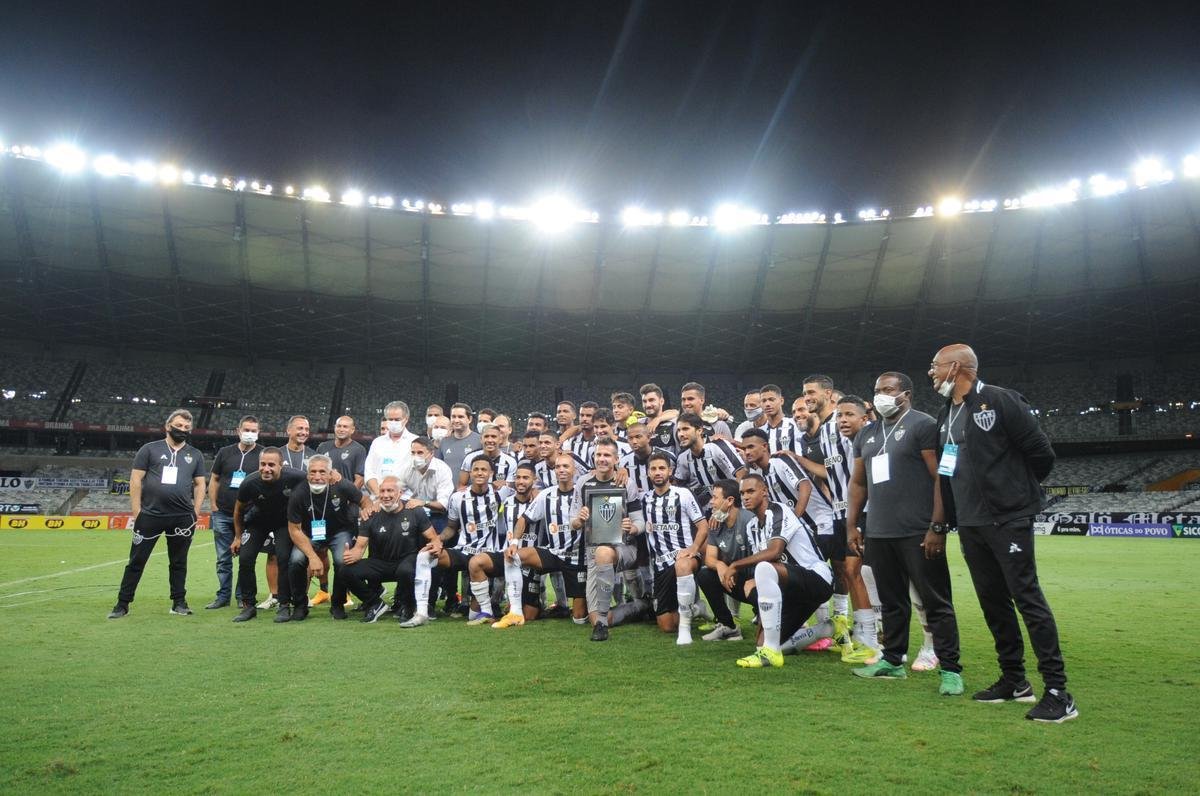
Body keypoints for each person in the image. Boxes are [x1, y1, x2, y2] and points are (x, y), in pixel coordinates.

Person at [930, 343, 1076, 722]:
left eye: (935, 366)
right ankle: (1014, 679)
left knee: (1027, 598)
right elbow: (946, 470)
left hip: (1007, 518)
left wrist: (1014, 495)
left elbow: (1040, 452)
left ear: (956, 367)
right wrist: (947, 518)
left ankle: (1059, 692)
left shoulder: (999, 400)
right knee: (992, 601)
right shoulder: (946, 413)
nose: (931, 372)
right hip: (972, 523)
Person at [845, 373, 964, 696]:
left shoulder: (923, 425)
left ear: (905, 394)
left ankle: (951, 669)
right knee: (893, 602)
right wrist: (852, 524)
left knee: (935, 601)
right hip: (880, 531)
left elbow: (941, 476)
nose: (881, 395)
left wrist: (938, 525)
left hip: (918, 531)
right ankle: (893, 660)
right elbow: (858, 483)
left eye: (888, 390)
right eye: (877, 390)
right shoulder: (867, 433)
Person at [725, 474, 834, 668]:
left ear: (764, 491)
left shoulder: (779, 510)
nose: (745, 497)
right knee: (761, 644)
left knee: (764, 568)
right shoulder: (751, 526)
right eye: (742, 493)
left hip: (817, 579)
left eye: (751, 491)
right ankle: (828, 629)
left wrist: (735, 565)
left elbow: (774, 551)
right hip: (791, 592)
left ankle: (771, 653)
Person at [108, 409, 208, 619]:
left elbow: (200, 484)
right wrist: (137, 511)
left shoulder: (195, 454)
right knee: (137, 561)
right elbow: (135, 480)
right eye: (178, 426)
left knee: (179, 562)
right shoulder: (149, 449)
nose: (182, 430)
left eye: (186, 428)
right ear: (167, 426)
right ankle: (122, 604)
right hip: (151, 515)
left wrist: (195, 511)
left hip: (182, 517)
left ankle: (179, 602)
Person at [491, 451, 588, 627]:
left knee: (579, 619)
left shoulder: (583, 493)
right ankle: (515, 612)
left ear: (574, 470)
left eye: (566, 466)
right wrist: (514, 543)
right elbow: (524, 519)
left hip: (578, 559)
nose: (561, 470)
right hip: (553, 553)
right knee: (513, 556)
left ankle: (588, 606)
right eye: (558, 467)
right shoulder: (546, 495)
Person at [409, 457, 508, 625]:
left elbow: (525, 490)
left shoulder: (502, 493)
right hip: (464, 550)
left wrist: (508, 484)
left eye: (484, 470)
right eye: (476, 469)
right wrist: (438, 540)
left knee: (472, 616)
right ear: (469, 473)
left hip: (490, 554)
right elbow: (451, 528)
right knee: (425, 556)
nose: (479, 472)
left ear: (491, 473)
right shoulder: (457, 498)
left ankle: (485, 611)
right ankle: (422, 612)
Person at [570, 438, 647, 641]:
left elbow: (640, 521)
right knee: (593, 618)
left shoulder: (626, 483)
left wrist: (632, 527)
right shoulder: (583, 483)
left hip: (625, 547)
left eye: (607, 455)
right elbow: (572, 522)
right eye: (598, 455)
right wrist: (579, 519)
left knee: (603, 552)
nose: (602, 459)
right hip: (593, 550)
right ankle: (639, 607)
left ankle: (603, 625)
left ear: (616, 459)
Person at [283, 454, 373, 620]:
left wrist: (367, 510)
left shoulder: (342, 485)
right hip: (309, 534)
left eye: (322, 472)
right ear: (307, 473)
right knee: (296, 561)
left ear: (331, 473)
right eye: (313, 472)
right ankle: (300, 605)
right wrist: (312, 557)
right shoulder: (298, 493)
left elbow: (365, 500)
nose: (317, 477)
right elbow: (295, 530)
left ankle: (337, 604)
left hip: (339, 532)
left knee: (342, 561)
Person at [343, 476, 436, 623]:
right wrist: (352, 554)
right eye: (382, 491)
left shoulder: (414, 510)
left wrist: (435, 546)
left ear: (400, 493)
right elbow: (360, 547)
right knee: (345, 570)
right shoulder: (370, 514)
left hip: (406, 560)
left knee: (405, 570)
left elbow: (432, 537)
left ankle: (408, 606)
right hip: (380, 563)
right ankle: (375, 603)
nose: (386, 495)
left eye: (390, 491)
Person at [230, 449, 308, 622]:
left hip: (283, 523)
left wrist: (333, 474)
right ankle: (248, 606)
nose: (266, 469)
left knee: (283, 558)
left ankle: (284, 604)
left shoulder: (295, 477)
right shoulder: (249, 482)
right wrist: (237, 537)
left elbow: (317, 477)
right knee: (245, 558)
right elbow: (238, 511)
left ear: (281, 466)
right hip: (258, 522)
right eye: (263, 464)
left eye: (271, 465)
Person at [642, 452, 709, 644]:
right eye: (653, 469)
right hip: (661, 565)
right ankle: (696, 608)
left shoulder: (684, 494)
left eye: (662, 468)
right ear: (648, 472)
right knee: (666, 626)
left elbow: (703, 526)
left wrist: (694, 548)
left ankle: (685, 631)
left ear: (670, 471)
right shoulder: (645, 499)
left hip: (685, 559)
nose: (657, 472)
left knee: (681, 565)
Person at [464, 461, 541, 626]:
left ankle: (528, 602)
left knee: (530, 615)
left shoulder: (541, 501)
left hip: (530, 561)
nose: (521, 481)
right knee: (476, 562)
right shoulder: (505, 502)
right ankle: (487, 610)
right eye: (518, 477)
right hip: (507, 556)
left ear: (534, 480)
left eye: (526, 478)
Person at [204, 415, 262, 610]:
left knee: (245, 558)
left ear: (258, 433)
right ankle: (223, 595)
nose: (250, 434)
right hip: (222, 512)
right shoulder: (225, 452)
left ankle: (241, 596)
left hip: (249, 515)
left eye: (254, 431)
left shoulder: (263, 455)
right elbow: (214, 479)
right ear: (238, 431)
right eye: (247, 430)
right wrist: (213, 504)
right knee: (223, 558)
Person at [695, 480, 750, 641]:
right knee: (705, 575)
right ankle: (729, 626)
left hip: (757, 581)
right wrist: (719, 564)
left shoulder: (748, 520)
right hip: (733, 580)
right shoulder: (715, 523)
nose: (711, 502)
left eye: (715, 497)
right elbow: (710, 558)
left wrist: (733, 568)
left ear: (730, 501)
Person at [673, 412, 747, 510]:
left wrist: (723, 508)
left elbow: (742, 475)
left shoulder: (719, 446)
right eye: (678, 430)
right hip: (716, 507)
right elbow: (678, 487)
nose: (681, 434)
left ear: (699, 430)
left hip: (738, 505)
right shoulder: (683, 457)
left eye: (685, 429)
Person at [459, 423, 518, 489]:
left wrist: (506, 484)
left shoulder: (510, 461)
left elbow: (512, 488)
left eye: (493, 437)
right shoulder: (470, 458)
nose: (490, 440)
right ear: (481, 439)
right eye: (486, 436)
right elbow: (461, 486)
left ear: (500, 440)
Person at [316, 415, 366, 488]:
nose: (341, 429)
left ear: (352, 430)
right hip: (323, 494)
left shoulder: (359, 449)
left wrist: (350, 496)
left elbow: (360, 479)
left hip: (346, 495)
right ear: (335, 427)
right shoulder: (322, 447)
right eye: (339, 426)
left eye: (345, 427)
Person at [438, 402, 481, 484]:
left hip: (470, 494)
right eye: (453, 417)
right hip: (447, 493)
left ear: (469, 419)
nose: (456, 420)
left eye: (460, 417)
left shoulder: (480, 441)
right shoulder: (444, 441)